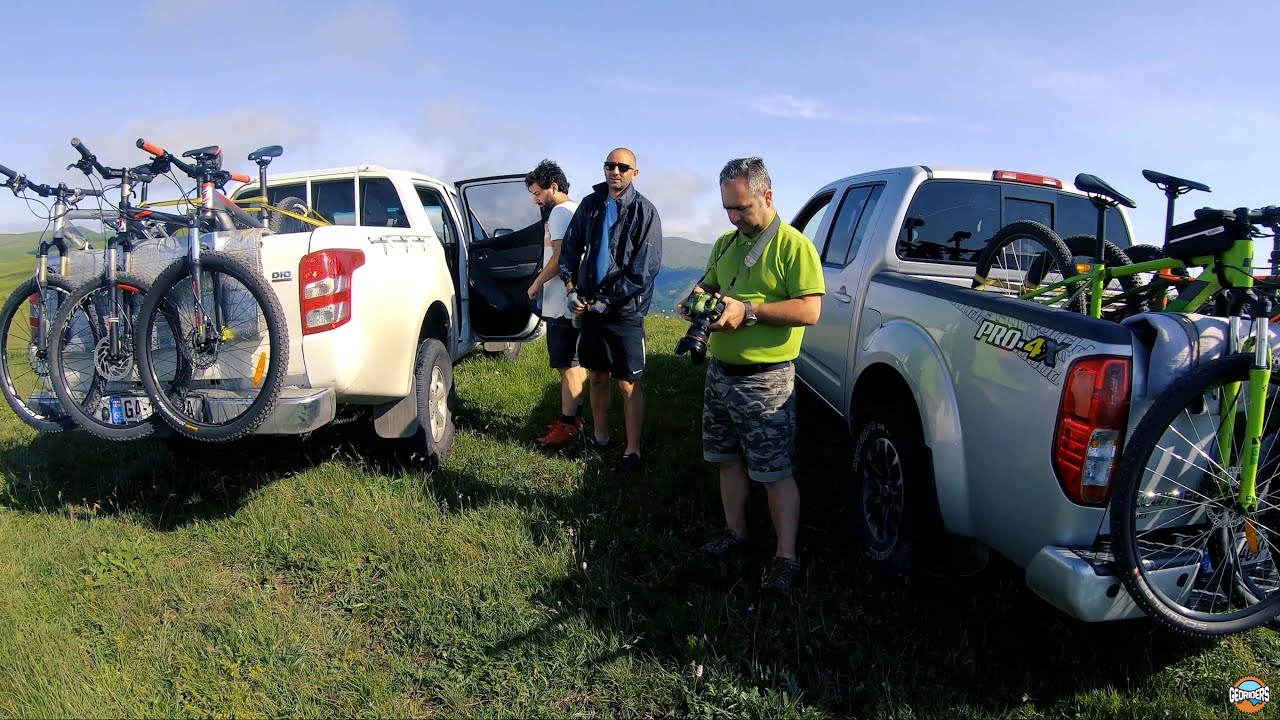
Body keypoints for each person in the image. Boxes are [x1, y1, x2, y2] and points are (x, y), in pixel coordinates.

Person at [680, 156, 824, 593]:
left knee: (774, 470)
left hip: (767, 378)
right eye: (728, 208)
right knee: (726, 459)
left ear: (768, 196)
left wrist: (750, 312)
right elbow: (709, 283)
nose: (736, 217)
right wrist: (696, 300)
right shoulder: (726, 243)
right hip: (721, 373)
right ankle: (735, 533)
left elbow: (810, 310)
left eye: (743, 207)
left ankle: (786, 558)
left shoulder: (794, 246)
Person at [559, 148, 663, 476]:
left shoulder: (645, 212)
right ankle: (599, 438)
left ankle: (632, 451)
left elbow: (643, 270)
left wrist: (604, 300)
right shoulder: (590, 205)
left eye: (623, 167)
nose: (615, 171)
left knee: (628, 384)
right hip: (590, 307)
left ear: (635, 172)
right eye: (610, 165)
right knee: (598, 376)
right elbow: (571, 249)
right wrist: (571, 288)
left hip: (625, 312)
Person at [524, 160, 585, 448]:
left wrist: (537, 282)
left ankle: (567, 426)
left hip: (562, 301)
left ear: (554, 187)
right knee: (574, 363)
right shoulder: (576, 209)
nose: (535, 200)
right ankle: (575, 418)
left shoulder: (560, 212)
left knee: (567, 365)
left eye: (537, 193)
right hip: (572, 299)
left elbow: (561, 256)